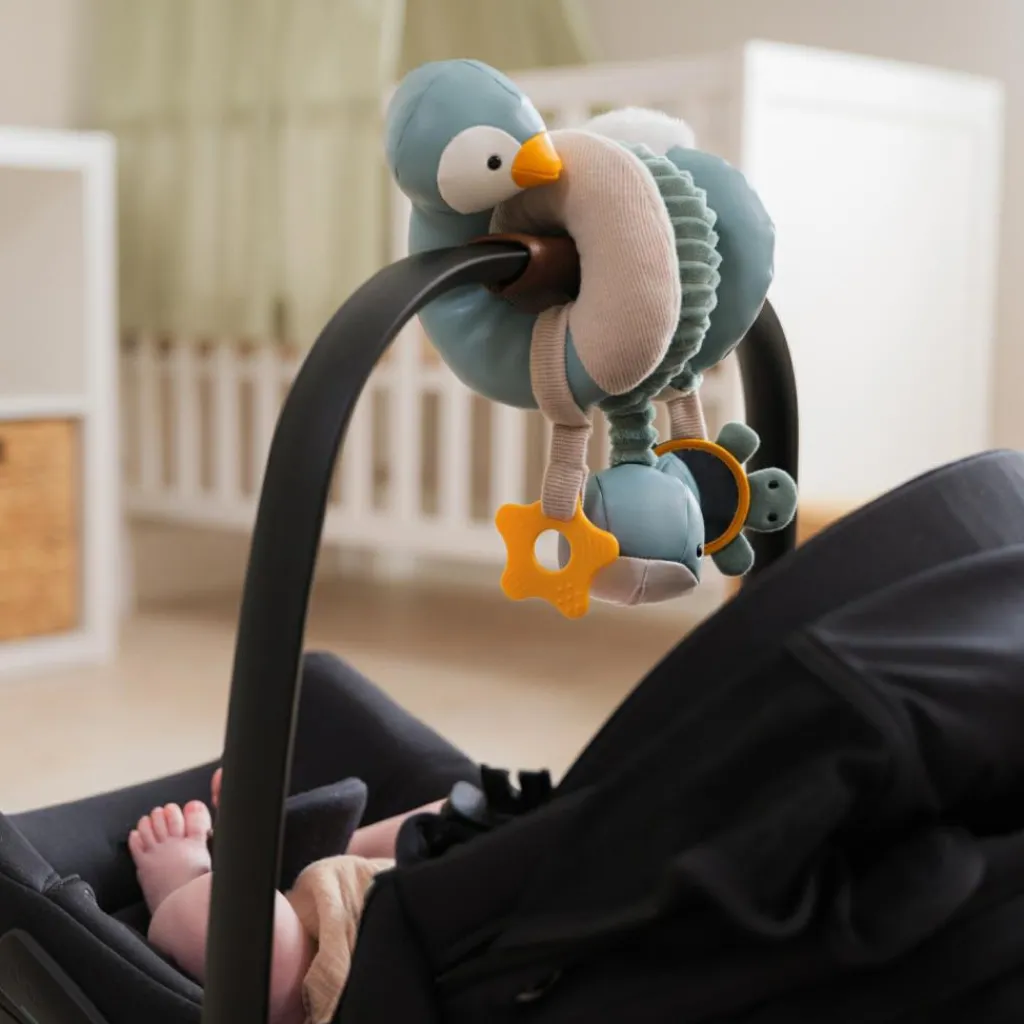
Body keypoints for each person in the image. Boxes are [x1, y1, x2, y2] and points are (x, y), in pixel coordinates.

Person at [128, 767, 441, 1024]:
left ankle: (180, 883)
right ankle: (323, 850)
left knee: (228, 916)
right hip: (397, 890)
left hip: (341, 989)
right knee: (451, 821)